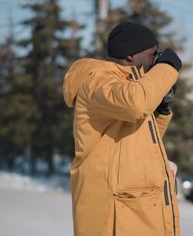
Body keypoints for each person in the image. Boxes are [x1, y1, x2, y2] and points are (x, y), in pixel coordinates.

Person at [63, 21, 182, 236]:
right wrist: (168, 67)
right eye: (152, 54)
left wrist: (159, 111)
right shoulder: (98, 81)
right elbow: (135, 104)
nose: (154, 62)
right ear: (131, 56)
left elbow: (135, 146)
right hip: (113, 218)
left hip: (131, 216)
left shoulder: (125, 87)